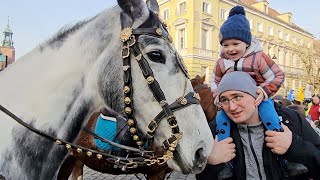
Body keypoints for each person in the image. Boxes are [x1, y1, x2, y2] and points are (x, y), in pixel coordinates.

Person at [208, 5, 306, 176]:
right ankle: (225, 164)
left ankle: (287, 158)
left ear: (246, 42)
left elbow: (277, 76)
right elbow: (214, 81)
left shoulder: (258, 57)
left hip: (259, 100)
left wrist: (264, 91)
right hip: (232, 100)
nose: (230, 49)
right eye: (225, 44)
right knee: (221, 122)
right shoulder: (221, 62)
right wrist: (217, 96)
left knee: (270, 116)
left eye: (235, 44)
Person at [197, 71, 320, 180]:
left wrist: (294, 146)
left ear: (256, 96)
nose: (232, 107)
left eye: (238, 97)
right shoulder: (215, 132)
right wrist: (211, 163)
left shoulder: (290, 120)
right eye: (224, 100)